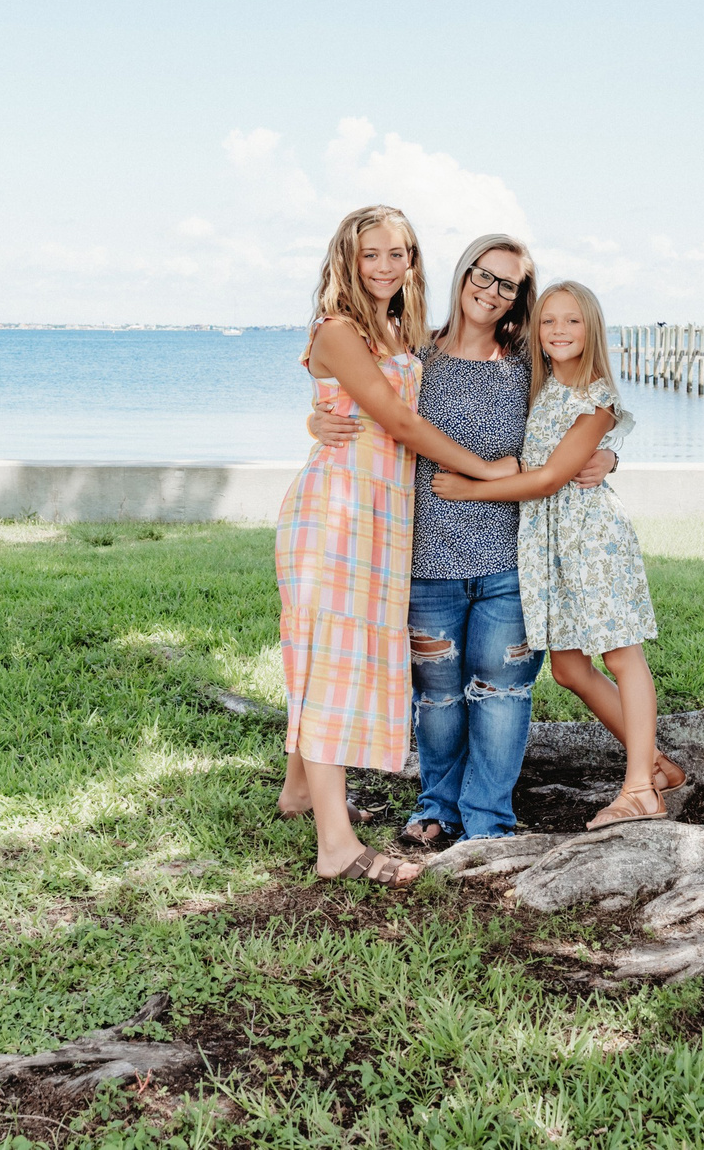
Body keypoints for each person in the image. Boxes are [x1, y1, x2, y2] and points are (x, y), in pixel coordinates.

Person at [310, 234, 615, 848]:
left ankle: (488, 822)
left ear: (519, 297)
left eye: (508, 284)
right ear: (461, 273)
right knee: (439, 694)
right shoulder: (414, 355)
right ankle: (437, 807)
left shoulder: (529, 368)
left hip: (514, 561)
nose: (491, 291)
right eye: (483, 274)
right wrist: (316, 421)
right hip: (426, 559)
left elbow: (584, 414)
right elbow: (365, 409)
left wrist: (608, 457)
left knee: (502, 691)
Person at [278, 205, 520, 884]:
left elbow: (361, 408)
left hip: (382, 517)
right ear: (346, 260)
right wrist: (488, 472)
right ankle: (337, 846)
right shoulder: (338, 328)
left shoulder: (396, 328)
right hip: (337, 513)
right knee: (329, 660)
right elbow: (398, 421)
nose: (387, 266)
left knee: (336, 653)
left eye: (400, 253)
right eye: (372, 254)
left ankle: (300, 787)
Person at [431, 280, 678, 831]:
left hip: (590, 539)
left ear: (592, 327)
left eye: (572, 321)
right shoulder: (539, 387)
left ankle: (640, 787)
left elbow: (547, 479)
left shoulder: (595, 397)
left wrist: (470, 491)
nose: (559, 331)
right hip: (547, 544)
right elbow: (528, 461)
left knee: (621, 653)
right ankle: (656, 763)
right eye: (548, 322)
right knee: (568, 669)